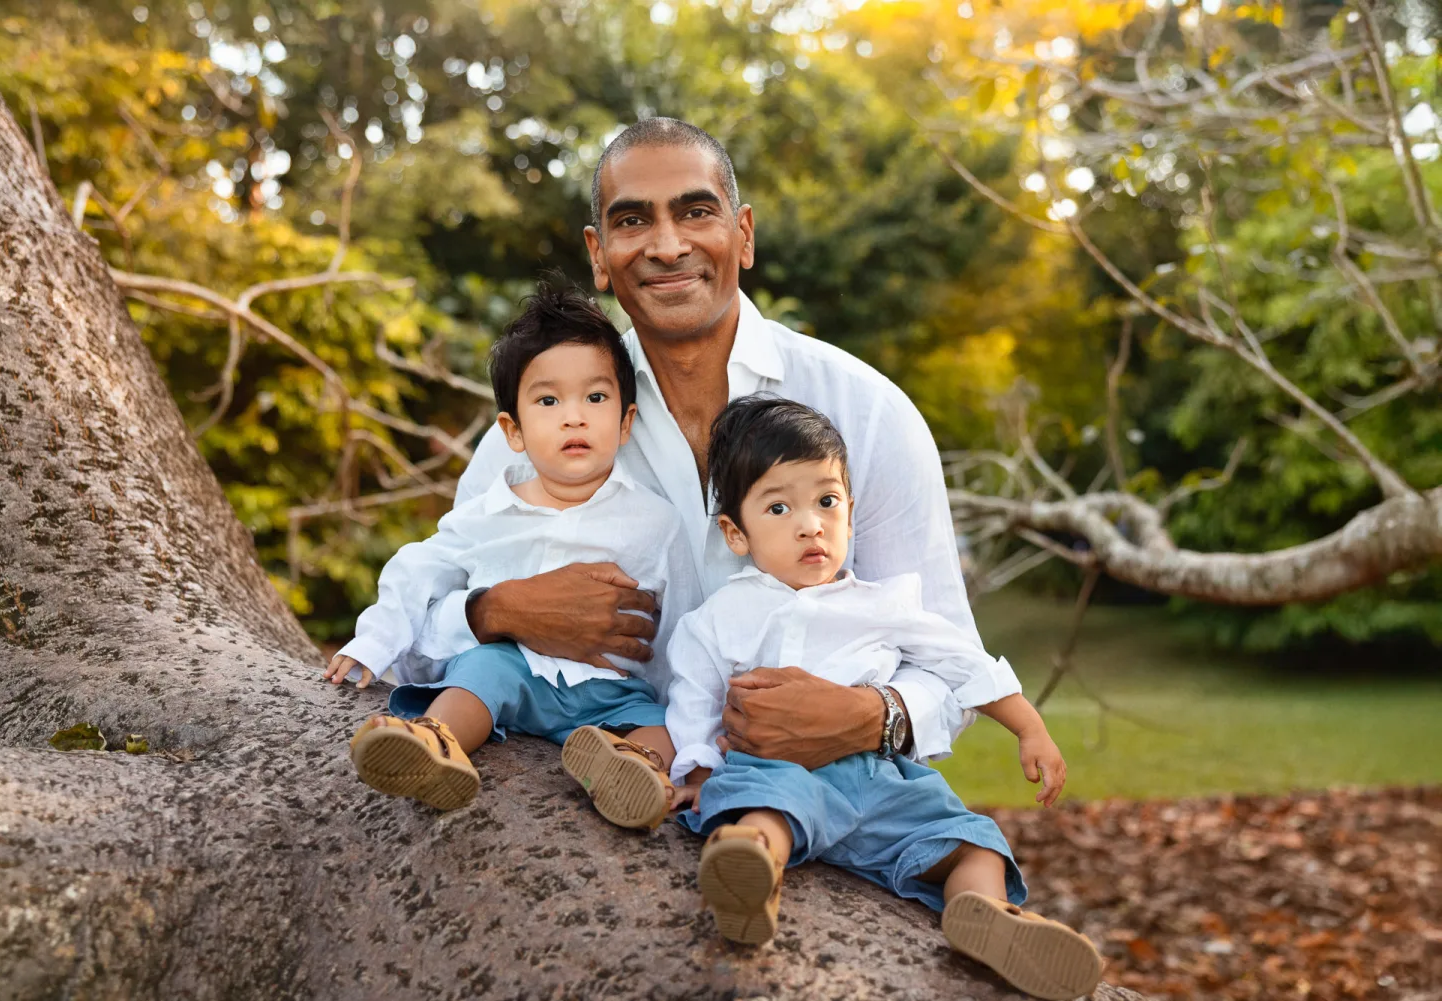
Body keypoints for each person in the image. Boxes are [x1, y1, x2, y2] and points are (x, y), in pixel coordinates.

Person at [439, 117, 1003, 785]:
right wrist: (498, 609)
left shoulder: (868, 413)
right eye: (632, 221)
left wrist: (868, 715)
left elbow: (949, 655)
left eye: (696, 211)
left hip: (823, 806)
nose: (667, 245)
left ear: (744, 234)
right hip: (603, 792)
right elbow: (416, 609)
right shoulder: (540, 432)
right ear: (599, 253)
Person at [661, 396, 1102, 1001]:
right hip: (782, 771)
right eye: (779, 506)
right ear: (735, 532)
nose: (810, 524)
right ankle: (748, 872)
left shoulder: (884, 604)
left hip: (882, 781)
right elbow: (695, 691)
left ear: (849, 511)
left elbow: (960, 660)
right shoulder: (721, 617)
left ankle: (985, 916)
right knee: (763, 807)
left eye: (826, 501)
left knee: (972, 840)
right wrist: (695, 766)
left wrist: (1029, 726)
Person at [322, 282, 700, 828]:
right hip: (516, 671)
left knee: (661, 725)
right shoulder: (486, 514)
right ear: (513, 430)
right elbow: (418, 569)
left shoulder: (657, 523)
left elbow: (679, 628)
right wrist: (373, 642)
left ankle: (631, 771)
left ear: (625, 423)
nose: (574, 417)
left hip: (611, 694)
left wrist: (692, 740)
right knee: (481, 668)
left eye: (595, 398)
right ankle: (437, 743)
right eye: (549, 401)